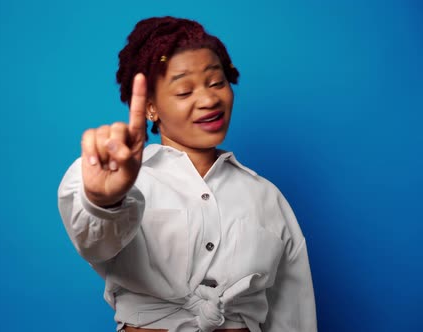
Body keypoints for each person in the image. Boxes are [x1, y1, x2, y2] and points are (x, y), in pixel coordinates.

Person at [58, 16, 317, 332]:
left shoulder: (267, 197)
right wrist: (103, 201)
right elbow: (94, 241)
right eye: (183, 91)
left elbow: (293, 315)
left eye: (217, 82)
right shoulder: (120, 180)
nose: (209, 100)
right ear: (151, 107)